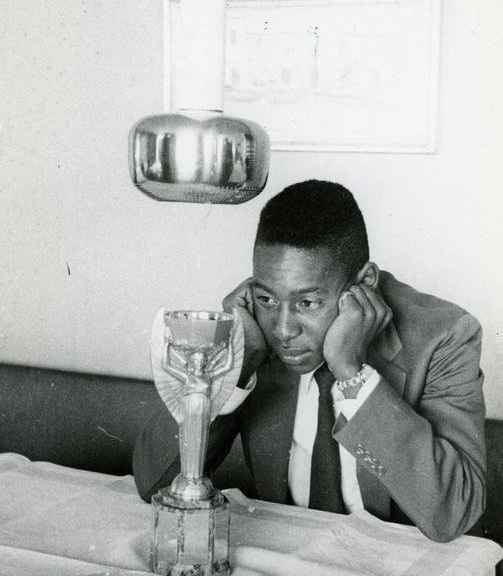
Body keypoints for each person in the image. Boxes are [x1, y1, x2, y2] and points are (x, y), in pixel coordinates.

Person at [133, 180, 486, 542]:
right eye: (268, 298)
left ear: (364, 283)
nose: (283, 330)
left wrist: (352, 374)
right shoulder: (253, 327)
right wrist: (238, 362)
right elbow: (153, 483)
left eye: (308, 303)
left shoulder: (444, 335)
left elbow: (453, 513)